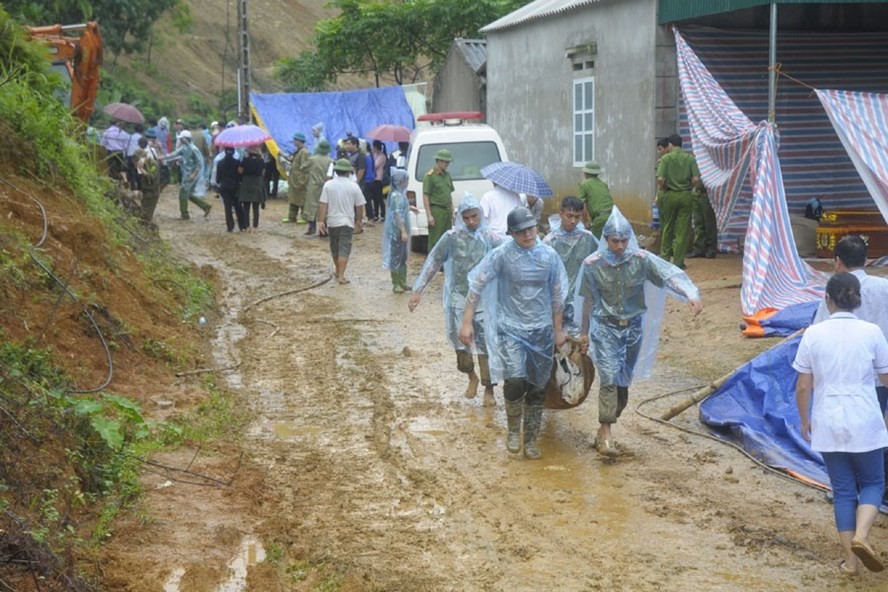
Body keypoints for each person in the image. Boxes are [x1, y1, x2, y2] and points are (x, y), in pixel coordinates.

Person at [578, 206, 702, 457]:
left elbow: (667, 276)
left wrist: (689, 294)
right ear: (605, 239)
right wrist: (584, 332)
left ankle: (604, 428)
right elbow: (588, 301)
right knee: (609, 377)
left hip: (632, 329)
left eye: (624, 240)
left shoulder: (641, 260)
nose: (620, 246)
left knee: (623, 381)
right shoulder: (592, 265)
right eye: (615, 241)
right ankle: (607, 434)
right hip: (605, 327)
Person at [793, 272, 888, 575]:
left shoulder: (813, 334)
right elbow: (886, 377)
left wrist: (805, 420)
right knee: (873, 483)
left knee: (843, 490)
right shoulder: (872, 332)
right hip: (865, 417)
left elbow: (803, 386)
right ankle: (862, 536)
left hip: (828, 417)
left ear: (827, 299)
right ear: (857, 298)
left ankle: (850, 562)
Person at [459, 207, 569, 458]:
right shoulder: (502, 255)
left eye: (530, 229)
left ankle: (530, 440)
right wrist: (466, 322)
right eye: (520, 232)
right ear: (512, 234)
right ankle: (512, 430)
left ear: (537, 227)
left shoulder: (549, 256)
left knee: (537, 387)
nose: (527, 235)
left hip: (541, 331)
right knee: (515, 379)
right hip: (511, 329)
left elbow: (557, 295)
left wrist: (558, 330)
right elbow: (477, 285)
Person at [409, 194, 503, 407]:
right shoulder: (451, 238)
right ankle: (471, 376)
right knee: (460, 342)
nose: (471, 221)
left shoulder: (490, 238)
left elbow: (509, 254)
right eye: (466, 217)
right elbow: (433, 261)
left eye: (475, 216)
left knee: (486, 345)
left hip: (483, 301)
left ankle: (489, 389)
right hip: (458, 298)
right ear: (459, 217)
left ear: (481, 215)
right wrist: (418, 290)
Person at [813, 235, 888, 500]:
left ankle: (850, 486)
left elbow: (818, 330)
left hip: (848, 375)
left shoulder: (833, 292)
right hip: (881, 373)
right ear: (866, 260)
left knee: (848, 431)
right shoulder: (884, 287)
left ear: (837, 262)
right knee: (877, 429)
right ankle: (877, 484)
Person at [543, 196, 598, 336]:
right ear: (560, 214)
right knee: (556, 337)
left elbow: (598, 262)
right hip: (556, 299)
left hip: (580, 298)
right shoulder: (550, 241)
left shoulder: (587, 238)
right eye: (569, 216)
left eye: (577, 217)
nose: (573, 221)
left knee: (579, 340)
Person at [318, 158, 366, 284]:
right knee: (344, 248)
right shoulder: (354, 186)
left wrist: (321, 221)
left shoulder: (328, 185)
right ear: (349, 172)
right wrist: (359, 220)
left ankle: (338, 271)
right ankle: (341, 275)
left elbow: (323, 204)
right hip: (347, 222)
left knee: (334, 247)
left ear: (336, 171)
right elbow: (360, 206)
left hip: (332, 222)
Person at [656, 134, 700, 269]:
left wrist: (665, 188)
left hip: (670, 195)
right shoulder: (690, 158)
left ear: (670, 145)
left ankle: (664, 258)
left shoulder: (666, 159)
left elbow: (660, 178)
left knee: (668, 226)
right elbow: (696, 179)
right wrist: (688, 187)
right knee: (682, 230)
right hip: (685, 195)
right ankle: (678, 262)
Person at [162, 130, 211, 220]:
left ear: (185, 139)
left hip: (192, 174)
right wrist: (164, 157)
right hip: (186, 173)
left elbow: (200, 163)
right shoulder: (184, 148)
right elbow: (175, 154)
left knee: (183, 193)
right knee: (188, 194)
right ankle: (205, 206)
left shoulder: (193, 149)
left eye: (181, 139)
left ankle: (185, 214)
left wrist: (194, 174)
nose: (180, 140)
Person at [382, 168, 414, 293]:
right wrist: (403, 230)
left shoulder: (401, 194)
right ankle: (396, 283)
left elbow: (401, 209)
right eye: (406, 179)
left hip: (401, 230)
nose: (408, 182)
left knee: (403, 256)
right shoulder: (396, 196)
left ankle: (402, 281)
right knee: (396, 256)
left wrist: (411, 208)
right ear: (400, 180)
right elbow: (397, 214)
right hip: (397, 231)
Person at [423, 149, 455, 250]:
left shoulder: (447, 175)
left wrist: (452, 211)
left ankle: (445, 260)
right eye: (445, 162)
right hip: (436, 210)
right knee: (435, 240)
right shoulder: (430, 176)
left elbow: (449, 194)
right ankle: (433, 260)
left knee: (447, 238)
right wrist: (429, 215)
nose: (447, 164)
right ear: (439, 161)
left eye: (448, 162)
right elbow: (426, 196)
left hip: (447, 210)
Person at [577, 160, 613, 239]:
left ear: (585, 173)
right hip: (612, 216)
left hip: (600, 218)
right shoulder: (603, 184)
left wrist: (586, 222)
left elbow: (582, 205)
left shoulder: (584, 184)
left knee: (595, 242)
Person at [304, 139, 333, 236]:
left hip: (313, 185)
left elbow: (303, 167)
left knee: (312, 206)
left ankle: (312, 227)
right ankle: (323, 229)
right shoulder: (331, 160)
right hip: (325, 186)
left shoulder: (312, 159)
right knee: (324, 206)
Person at [135, 128, 163, 224]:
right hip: (146, 189)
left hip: (152, 190)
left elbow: (151, 176)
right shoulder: (149, 151)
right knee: (144, 210)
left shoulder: (152, 162)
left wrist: (142, 169)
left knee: (147, 212)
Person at [216, 147, 247, 232]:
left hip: (224, 186)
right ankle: (242, 225)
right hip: (235, 186)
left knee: (227, 207)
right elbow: (240, 176)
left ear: (225, 152)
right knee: (238, 206)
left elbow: (218, 179)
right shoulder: (237, 162)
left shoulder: (220, 163)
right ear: (233, 152)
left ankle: (230, 226)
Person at [237, 145, 267, 232]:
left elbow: (240, 171)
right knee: (256, 208)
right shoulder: (261, 161)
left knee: (246, 207)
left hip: (246, 184)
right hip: (257, 185)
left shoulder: (245, 160)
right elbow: (263, 173)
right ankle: (255, 227)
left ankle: (247, 226)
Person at [283, 132, 310, 223]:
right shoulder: (298, 151)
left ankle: (304, 217)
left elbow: (305, 167)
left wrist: (302, 180)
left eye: (295, 140)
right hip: (294, 179)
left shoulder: (304, 152)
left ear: (299, 141)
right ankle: (292, 216)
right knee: (293, 198)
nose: (294, 141)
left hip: (299, 179)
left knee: (302, 198)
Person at [688, 178, 717, 259]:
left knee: (709, 223)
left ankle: (711, 249)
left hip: (707, 193)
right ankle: (699, 249)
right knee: (698, 223)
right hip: (696, 193)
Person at [371, 140, 388, 223]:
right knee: (375, 198)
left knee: (379, 197)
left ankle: (383, 215)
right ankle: (376, 215)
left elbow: (375, 165)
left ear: (375, 147)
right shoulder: (375, 155)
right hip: (374, 179)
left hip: (378, 179)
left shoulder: (382, 156)